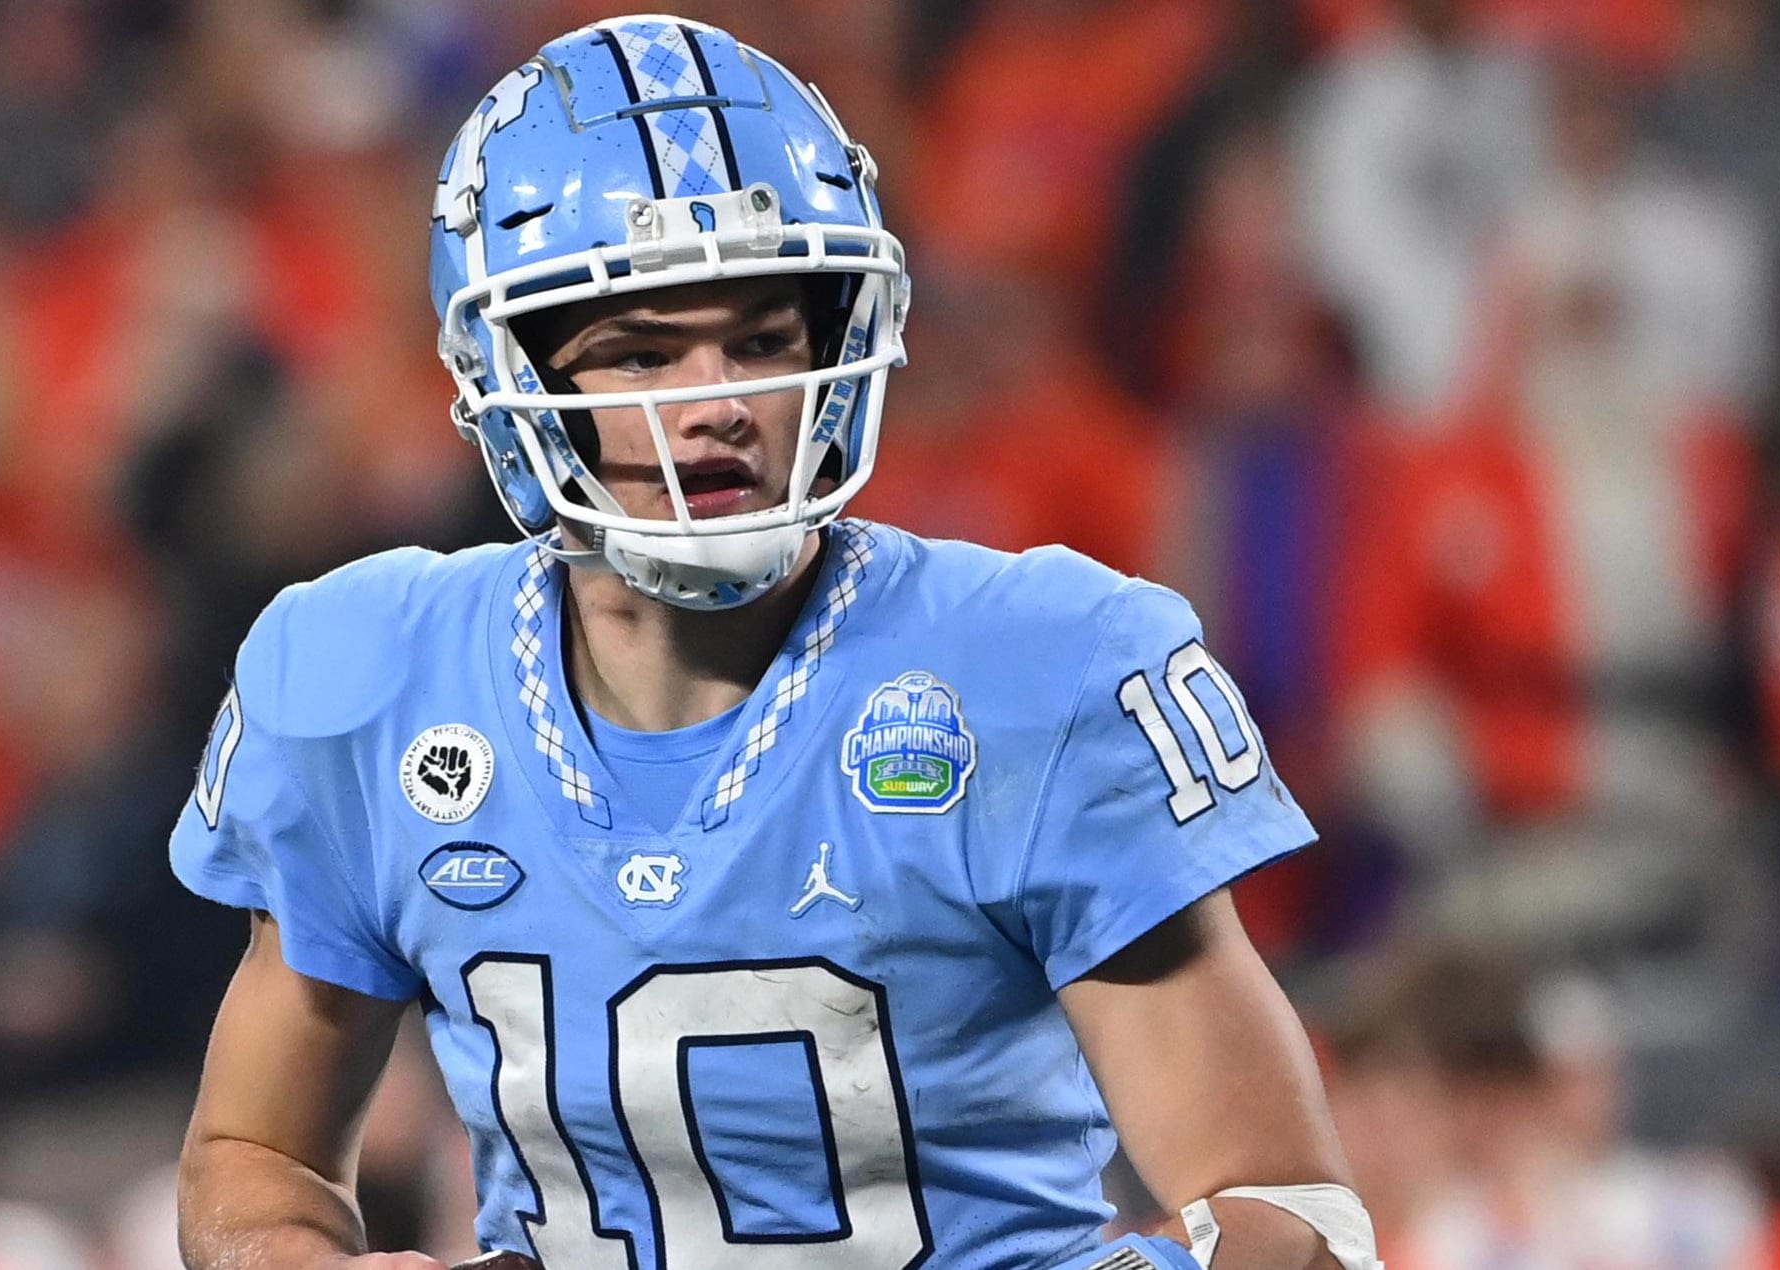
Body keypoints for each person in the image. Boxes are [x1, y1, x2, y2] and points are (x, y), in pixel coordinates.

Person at [168, 15, 1376, 1270]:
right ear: (509, 382)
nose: (722, 406)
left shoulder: (1041, 668)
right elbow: (258, 1158)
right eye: (640, 354)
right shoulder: (371, 678)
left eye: (760, 339)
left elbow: (1293, 1210)